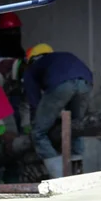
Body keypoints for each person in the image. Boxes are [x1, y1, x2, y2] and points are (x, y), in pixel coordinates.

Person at [22, 43, 93, 179]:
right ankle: (77, 170)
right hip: (86, 82)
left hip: (62, 85)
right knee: (75, 127)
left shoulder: (32, 69)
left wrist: (36, 123)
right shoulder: (60, 58)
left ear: (30, 60)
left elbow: (34, 102)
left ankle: (60, 176)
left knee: (38, 132)